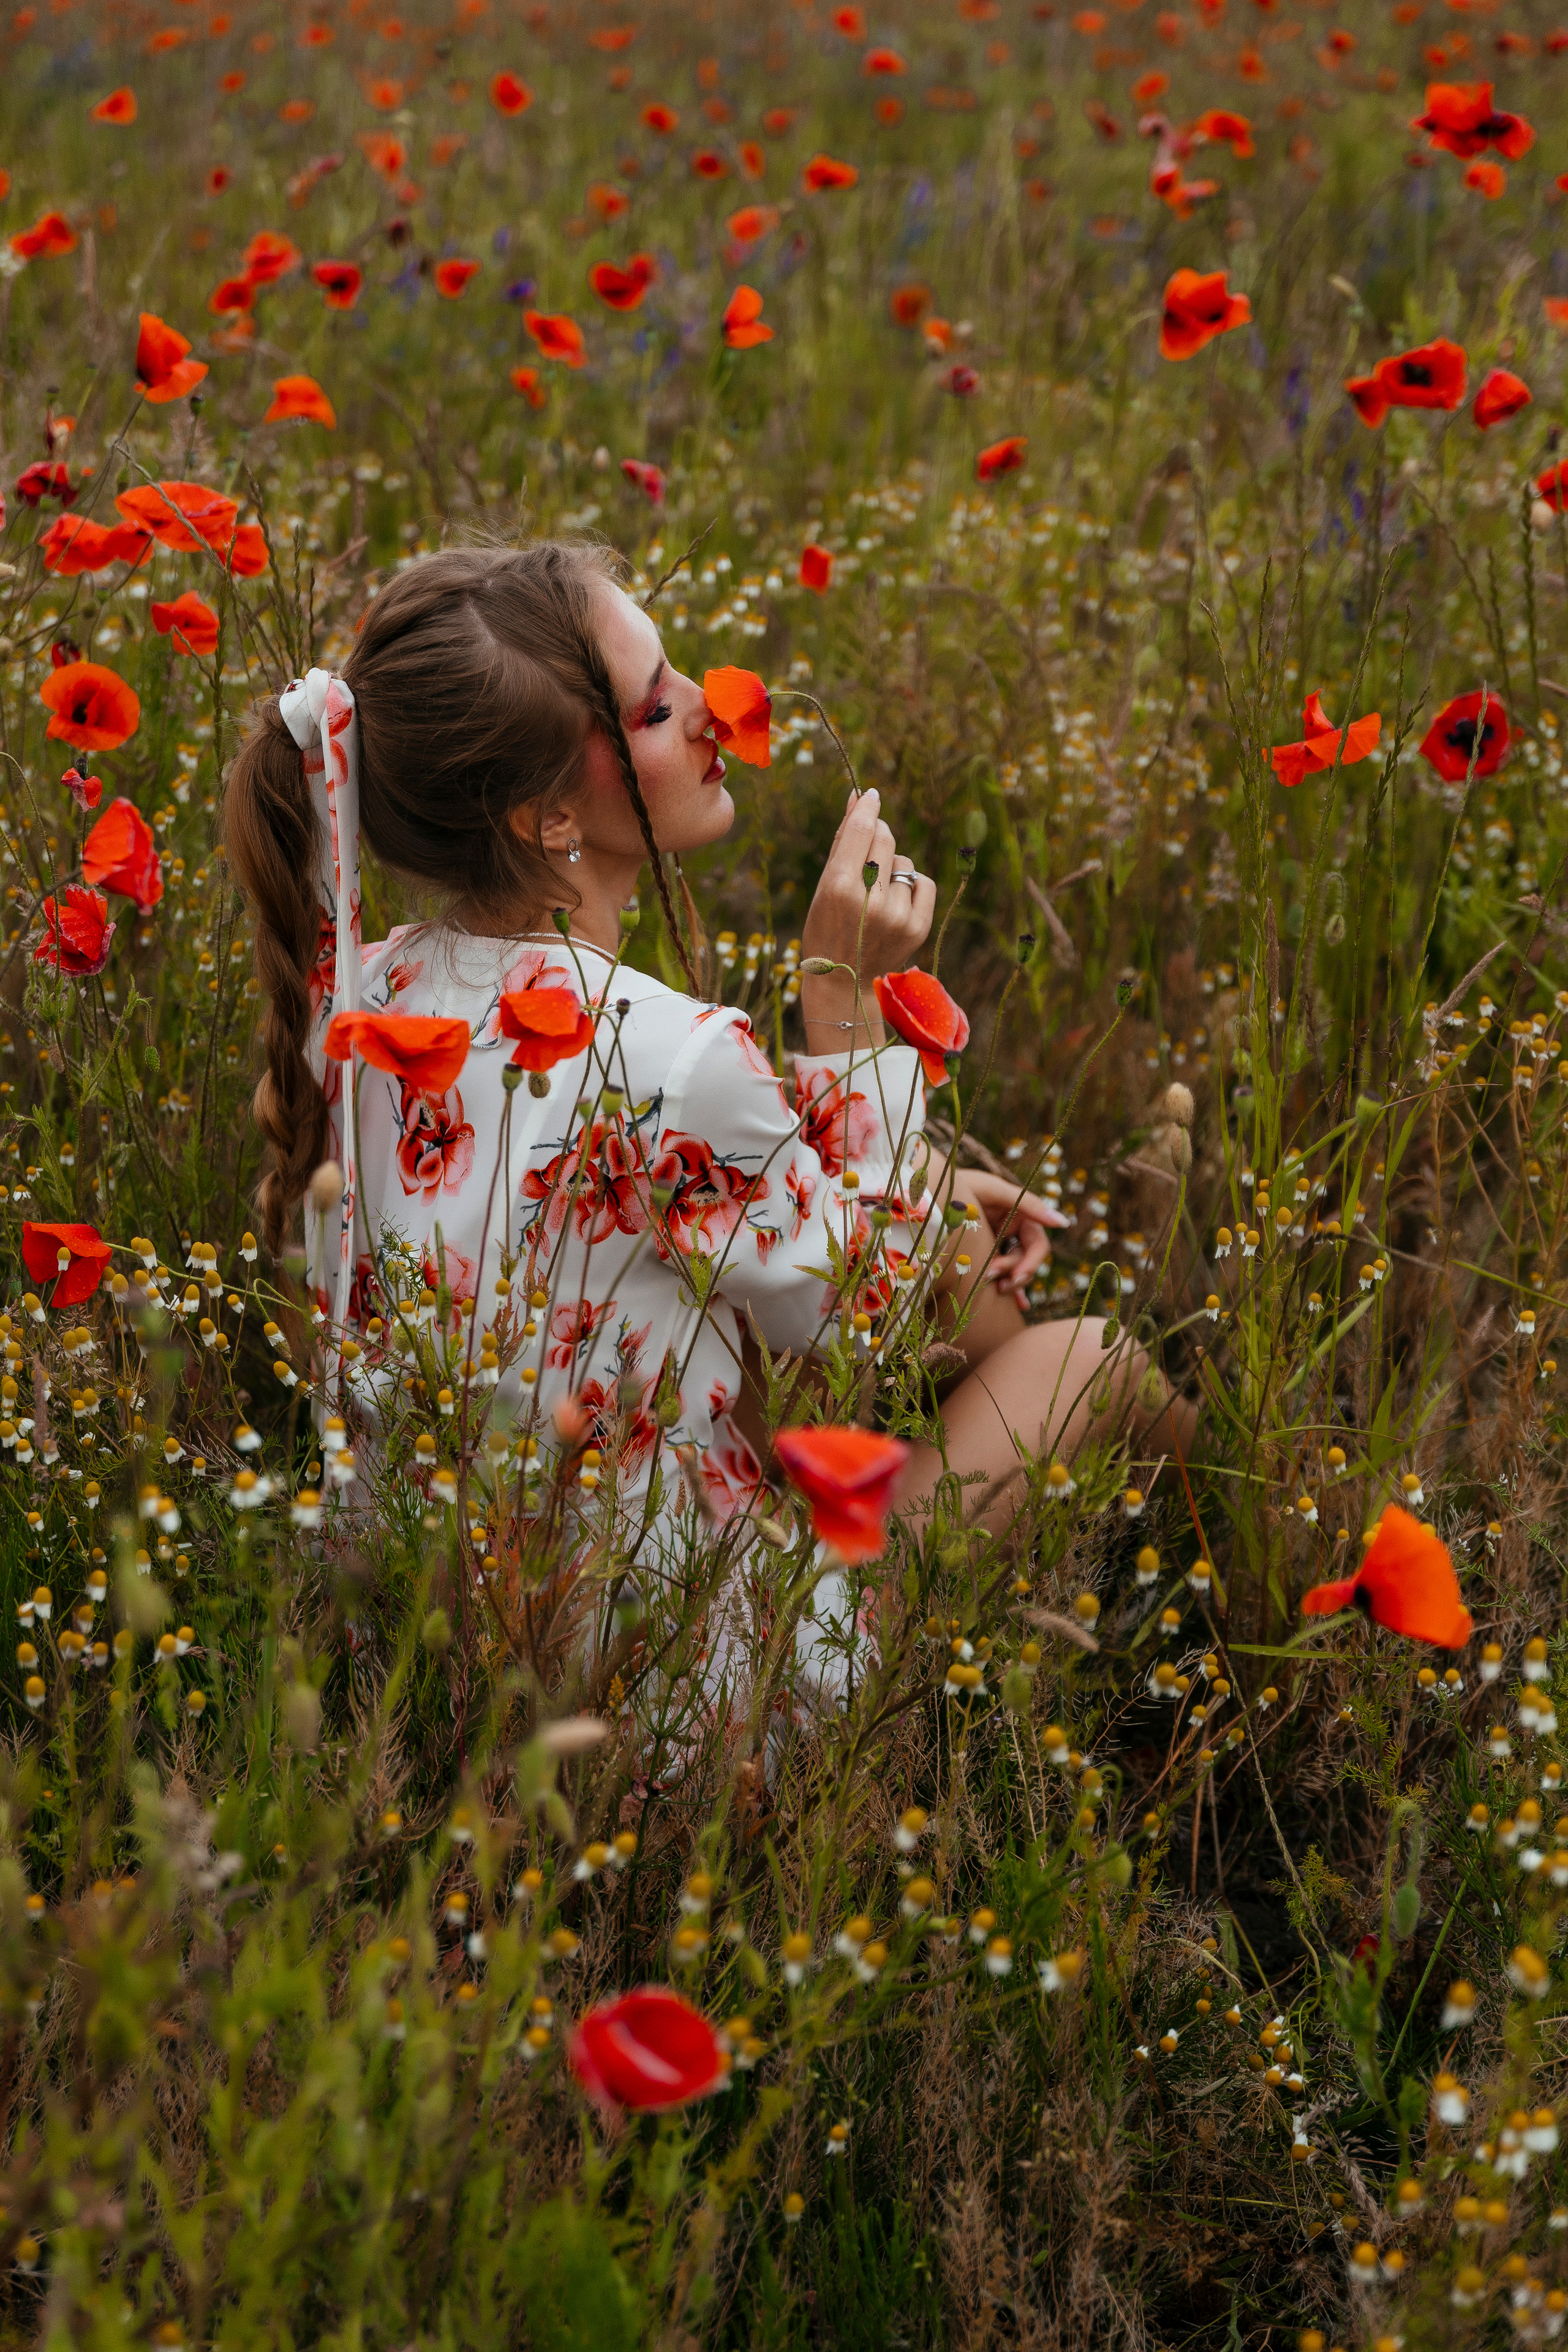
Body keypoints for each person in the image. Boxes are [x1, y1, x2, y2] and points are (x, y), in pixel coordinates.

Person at [222, 540, 1187, 1583]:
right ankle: (1241, 1598)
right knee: (1095, 1362)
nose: (711, 710)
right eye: (651, 709)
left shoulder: (367, 999)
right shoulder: (671, 1058)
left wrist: (935, 1198)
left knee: (946, 1239)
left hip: (439, 1636)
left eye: (675, 668)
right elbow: (865, 1323)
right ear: (546, 819)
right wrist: (843, 993)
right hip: (689, 1687)